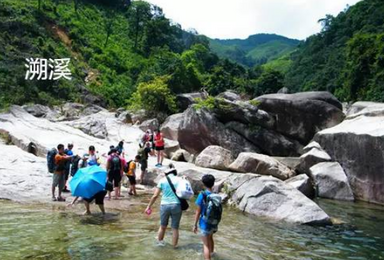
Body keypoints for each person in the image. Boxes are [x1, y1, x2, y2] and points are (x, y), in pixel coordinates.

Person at [145, 165, 182, 248]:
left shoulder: (162, 180)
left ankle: (160, 243)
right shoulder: (180, 180)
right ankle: (174, 247)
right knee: (175, 228)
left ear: (166, 173)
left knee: (162, 226)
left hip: (164, 205)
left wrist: (149, 206)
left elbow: (155, 196)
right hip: (176, 205)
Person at [193, 174, 222, 260]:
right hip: (214, 223)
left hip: (205, 223)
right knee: (211, 238)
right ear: (213, 184)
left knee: (205, 245)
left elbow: (198, 211)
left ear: (203, 184)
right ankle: (212, 254)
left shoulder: (202, 195)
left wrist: (194, 224)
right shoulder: (215, 196)